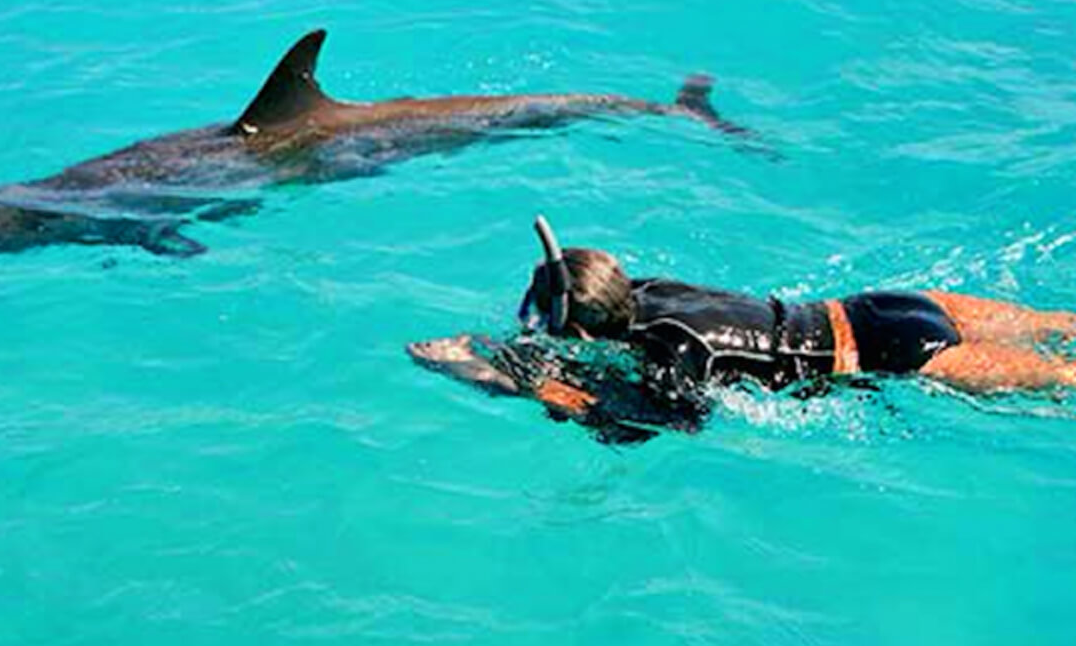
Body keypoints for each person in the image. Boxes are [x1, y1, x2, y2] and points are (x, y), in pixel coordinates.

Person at [407, 216, 1076, 439]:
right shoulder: (645, 292)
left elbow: (677, 421)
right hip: (883, 304)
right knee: (1061, 328)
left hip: (891, 350)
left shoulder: (669, 351)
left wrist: (560, 398)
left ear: (578, 332)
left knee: (1064, 383)